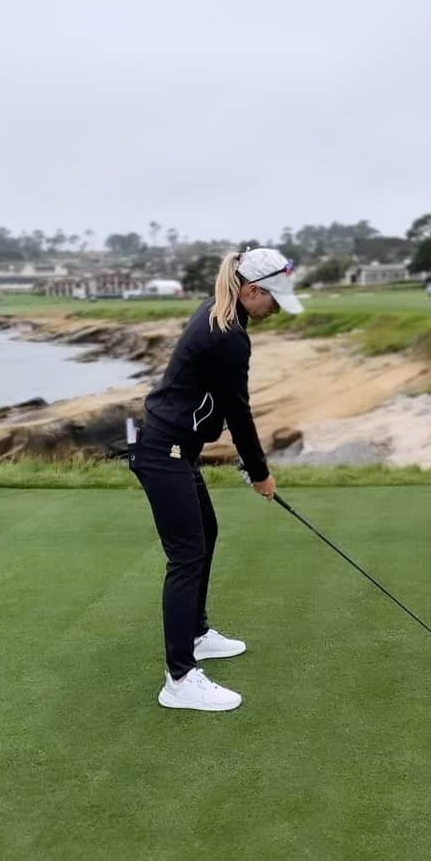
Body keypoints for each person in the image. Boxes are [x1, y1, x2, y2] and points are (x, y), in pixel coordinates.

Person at [129, 247, 304, 713]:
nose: (277, 309)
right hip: (162, 452)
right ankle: (180, 678)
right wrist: (261, 472)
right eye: (274, 299)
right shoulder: (227, 335)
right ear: (251, 290)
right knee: (186, 556)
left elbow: (219, 405)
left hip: (177, 448)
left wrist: (246, 464)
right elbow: (238, 412)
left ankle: (197, 634)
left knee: (206, 533)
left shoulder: (221, 313)